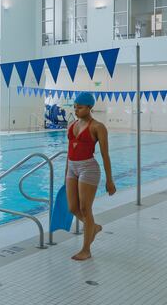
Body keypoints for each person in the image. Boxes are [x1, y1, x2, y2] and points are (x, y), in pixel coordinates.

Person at [65, 92, 116, 261]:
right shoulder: (71, 125)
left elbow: (105, 155)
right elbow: (69, 151)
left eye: (80, 107)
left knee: (86, 209)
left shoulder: (98, 127)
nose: (76, 110)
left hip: (89, 168)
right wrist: (66, 172)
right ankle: (92, 227)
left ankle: (86, 249)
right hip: (72, 168)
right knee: (73, 207)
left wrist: (110, 180)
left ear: (89, 107)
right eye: (75, 107)